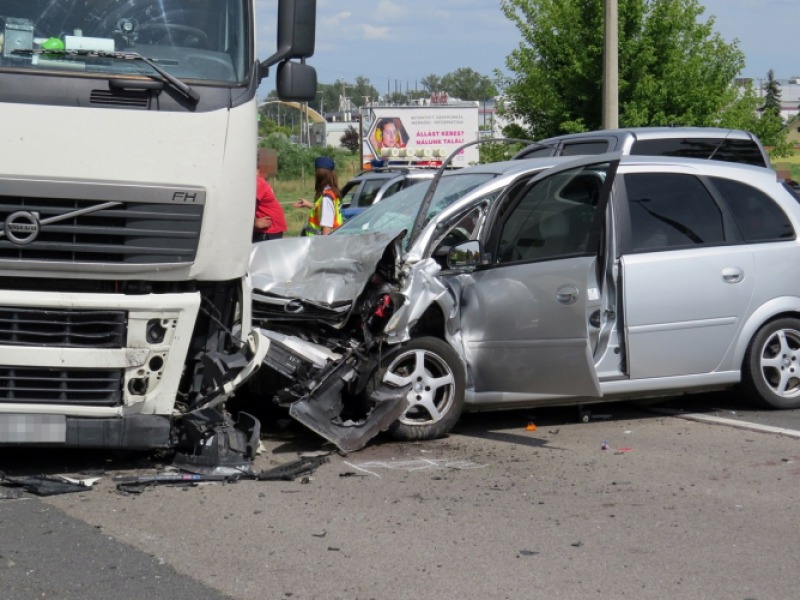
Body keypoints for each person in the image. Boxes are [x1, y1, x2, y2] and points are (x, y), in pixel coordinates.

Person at [293, 156, 343, 236]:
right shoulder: (331, 192)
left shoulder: (326, 197)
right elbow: (324, 210)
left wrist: (321, 246)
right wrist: (308, 204)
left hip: (318, 242)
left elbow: (327, 228)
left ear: (319, 175)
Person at [252, 161, 287, 243]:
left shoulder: (259, 181)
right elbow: (250, 204)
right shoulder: (258, 182)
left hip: (270, 230)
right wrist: (254, 222)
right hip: (267, 231)